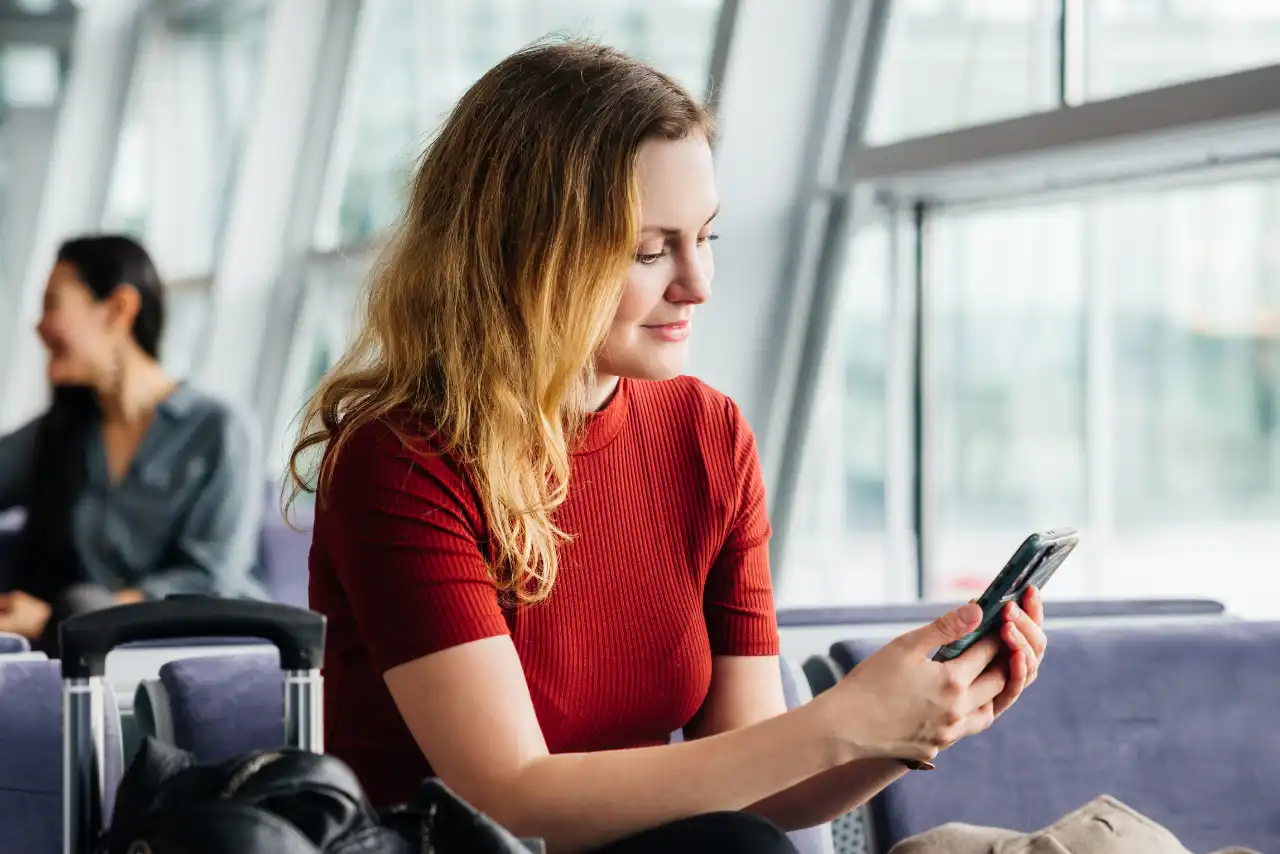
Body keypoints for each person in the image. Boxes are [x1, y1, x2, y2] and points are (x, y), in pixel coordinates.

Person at [292, 41, 1048, 854]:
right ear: (529, 254)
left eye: (706, 238)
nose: (698, 283)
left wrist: (908, 728)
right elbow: (507, 796)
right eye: (650, 251)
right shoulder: (403, 459)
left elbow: (768, 785)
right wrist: (842, 720)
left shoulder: (708, 436)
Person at [0, 235, 264, 653]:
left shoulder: (219, 429)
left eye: (53, 304)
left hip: (192, 651)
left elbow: (213, 579)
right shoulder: (58, 433)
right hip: (89, 658)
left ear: (118, 308)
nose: (39, 325)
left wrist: (66, 619)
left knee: (79, 604)